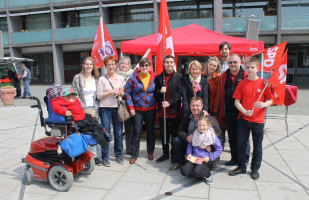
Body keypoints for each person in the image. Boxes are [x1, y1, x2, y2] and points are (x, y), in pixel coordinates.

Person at [229, 57, 273, 180]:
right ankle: (242, 166)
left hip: (258, 120)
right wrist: (244, 111)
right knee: (242, 144)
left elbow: (270, 100)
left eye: (252, 67)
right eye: (247, 67)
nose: (250, 69)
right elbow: (237, 102)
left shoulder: (264, 83)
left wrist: (264, 104)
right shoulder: (242, 83)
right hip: (244, 119)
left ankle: (255, 168)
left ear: (257, 68)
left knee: (257, 146)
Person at [171, 96, 222, 171]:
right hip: (192, 144)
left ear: (202, 106)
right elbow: (179, 131)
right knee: (176, 140)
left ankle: (210, 162)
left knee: (199, 169)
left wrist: (210, 146)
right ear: (190, 106)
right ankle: (180, 162)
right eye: (193, 105)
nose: (195, 108)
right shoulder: (187, 117)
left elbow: (219, 136)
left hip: (205, 148)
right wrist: (186, 137)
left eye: (197, 105)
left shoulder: (209, 119)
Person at [219, 54, 250, 166]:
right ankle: (234, 158)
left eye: (235, 62)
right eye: (230, 62)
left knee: (243, 139)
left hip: (242, 112)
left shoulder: (245, 74)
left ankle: (244, 160)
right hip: (229, 112)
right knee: (232, 137)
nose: (233, 64)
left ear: (240, 62)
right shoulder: (224, 75)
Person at [124, 57, 156, 164]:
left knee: (150, 131)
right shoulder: (133, 77)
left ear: (149, 66)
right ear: (139, 66)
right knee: (137, 132)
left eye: (147, 65)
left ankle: (150, 152)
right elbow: (127, 93)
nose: (144, 67)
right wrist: (131, 107)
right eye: (142, 65)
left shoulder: (154, 77)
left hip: (150, 109)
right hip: (137, 110)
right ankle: (134, 154)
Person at [72, 57, 101, 165]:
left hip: (94, 110)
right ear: (83, 65)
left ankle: (94, 156)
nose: (89, 66)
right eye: (87, 64)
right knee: (82, 132)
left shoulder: (96, 79)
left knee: (94, 132)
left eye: (91, 64)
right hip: (81, 110)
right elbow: (74, 94)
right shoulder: (77, 78)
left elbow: (98, 96)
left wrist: (94, 108)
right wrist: (85, 108)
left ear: (93, 67)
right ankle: (82, 155)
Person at [97, 56, 125, 167]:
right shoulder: (102, 79)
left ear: (116, 65)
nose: (111, 66)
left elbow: (123, 94)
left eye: (113, 64)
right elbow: (99, 96)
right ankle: (105, 157)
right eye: (108, 64)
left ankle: (118, 155)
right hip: (105, 109)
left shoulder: (120, 78)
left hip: (117, 107)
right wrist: (111, 92)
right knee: (106, 133)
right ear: (105, 66)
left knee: (118, 133)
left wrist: (121, 93)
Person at [155, 55, 183, 163]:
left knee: (174, 134)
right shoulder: (159, 77)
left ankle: (174, 154)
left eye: (171, 62)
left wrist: (169, 103)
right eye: (167, 62)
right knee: (164, 134)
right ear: (164, 64)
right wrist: (160, 91)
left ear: (174, 63)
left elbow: (179, 93)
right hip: (163, 112)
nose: (169, 64)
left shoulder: (179, 77)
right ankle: (165, 153)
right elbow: (155, 94)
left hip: (174, 111)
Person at [180, 116, 222, 185]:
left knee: (197, 172)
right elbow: (190, 145)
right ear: (197, 126)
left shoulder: (212, 136)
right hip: (194, 158)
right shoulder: (195, 134)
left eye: (203, 125)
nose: (201, 127)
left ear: (208, 126)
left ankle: (208, 174)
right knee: (184, 171)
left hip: (204, 159)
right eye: (199, 125)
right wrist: (189, 153)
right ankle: (196, 170)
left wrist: (210, 158)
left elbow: (219, 149)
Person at [116, 56, 134, 155]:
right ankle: (118, 149)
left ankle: (129, 149)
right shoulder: (114, 75)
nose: (123, 65)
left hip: (129, 104)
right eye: (122, 63)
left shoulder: (133, 74)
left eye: (126, 63)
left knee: (129, 128)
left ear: (130, 65)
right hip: (117, 103)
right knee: (118, 129)